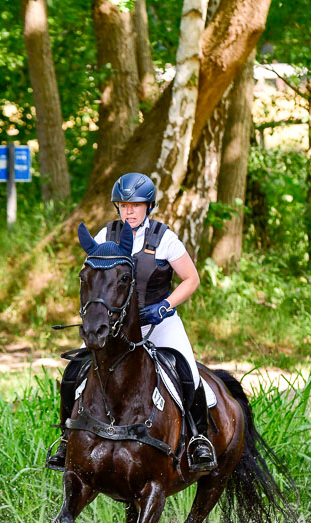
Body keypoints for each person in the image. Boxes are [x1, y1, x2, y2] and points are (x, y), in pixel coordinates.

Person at [46, 171, 216, 472]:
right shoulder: (105, 236)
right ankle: (65, 440)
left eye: (136, 205)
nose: (129, 211)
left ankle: (199, 440)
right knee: (74, 372)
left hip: (158, 321)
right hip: (116, 328)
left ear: (148, 207)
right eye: (123, 205)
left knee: (188, 371)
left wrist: (165, 306)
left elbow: (191, 279)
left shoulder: (164, 238)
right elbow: (93, 279)